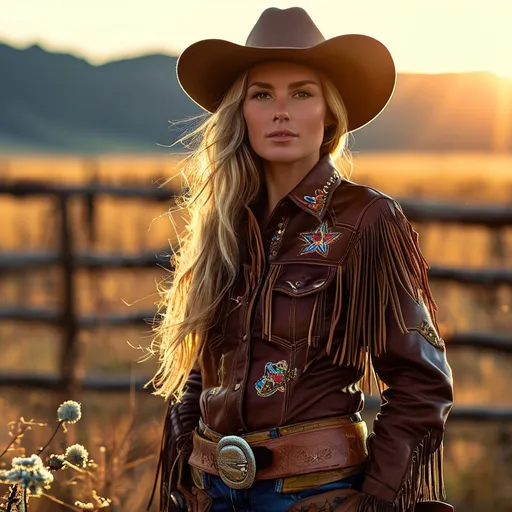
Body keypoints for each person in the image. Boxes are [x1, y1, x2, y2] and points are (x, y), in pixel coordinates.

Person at [145, 7, 454, 512]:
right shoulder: (223, 221)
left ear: (329, 112)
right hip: (210, 492)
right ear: (240, 112)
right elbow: (203, 361)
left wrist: (376, 499)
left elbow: (422, 382)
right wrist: (185, 452)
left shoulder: (368, 221)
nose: (280, 111)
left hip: (312, 494)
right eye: (262, 94)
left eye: (302, 93)